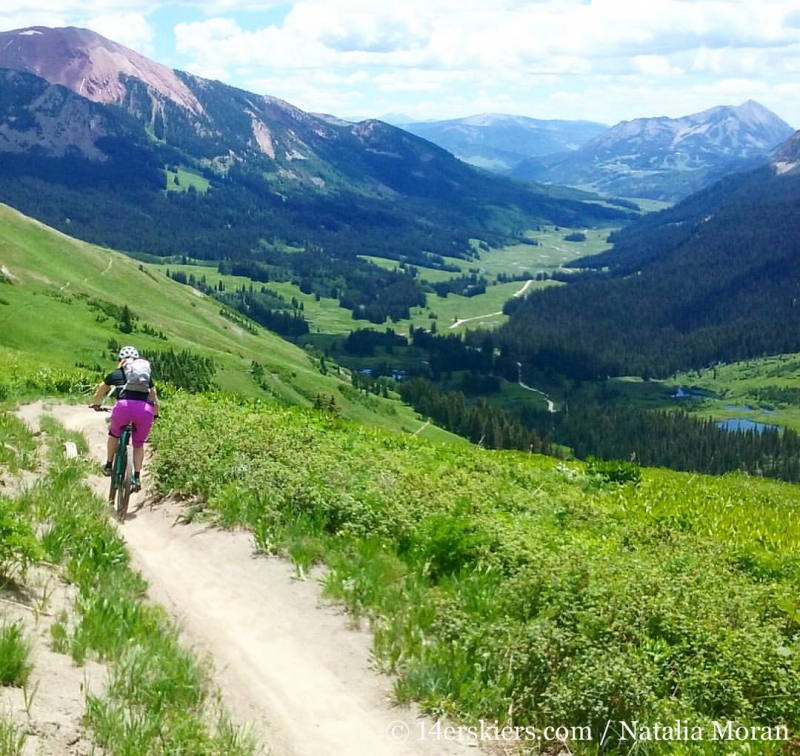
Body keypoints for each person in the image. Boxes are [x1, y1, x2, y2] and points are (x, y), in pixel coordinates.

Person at [90, 345, 160, 492]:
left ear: (121, 360)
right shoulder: (145, 377)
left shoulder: (115, 374)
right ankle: (136, 477)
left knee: (114, 434)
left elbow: (100, 391)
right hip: (144, 411)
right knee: (139, 444)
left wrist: (95, 404)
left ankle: (109, 465)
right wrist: (155, 413)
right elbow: (154, 398)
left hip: (124, 407)